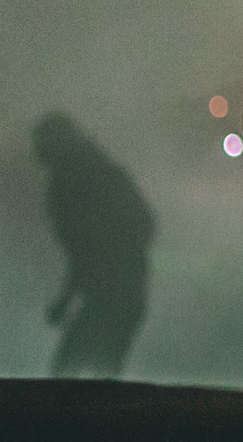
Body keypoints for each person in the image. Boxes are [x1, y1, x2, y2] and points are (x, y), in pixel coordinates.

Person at [34, 112, 156, 378]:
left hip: (113, 292)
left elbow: (85, 251)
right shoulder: (102, 174)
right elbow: (145, 224)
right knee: (102, 370)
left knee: (70, 370)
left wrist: (68, 298)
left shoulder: (73, 185)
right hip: (126, 288)